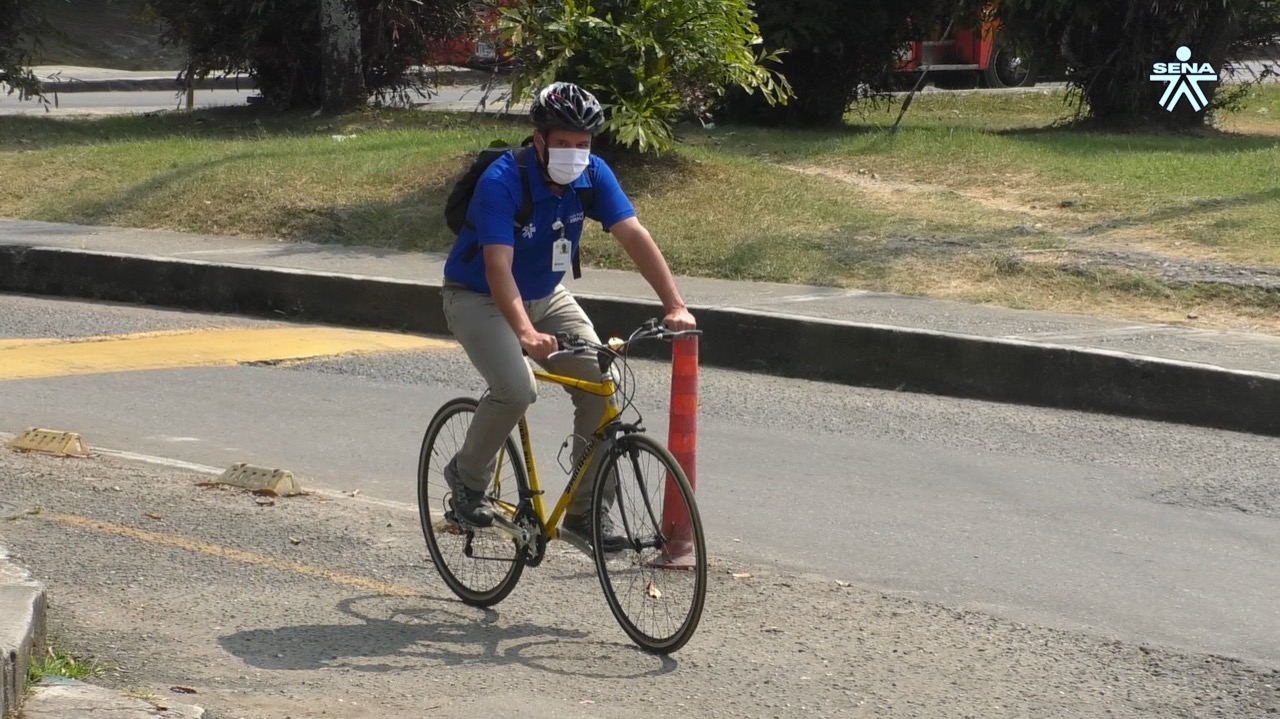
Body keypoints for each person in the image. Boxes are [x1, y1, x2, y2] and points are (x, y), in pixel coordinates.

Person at [440, 81, 696, 552]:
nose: (574, 153)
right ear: (539, 140)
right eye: (563, 144)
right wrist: (526, 334)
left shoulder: (593, 175)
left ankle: (582, 511)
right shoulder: (503, 181)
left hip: (544, 295)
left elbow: (633, 234)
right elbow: (497, 267)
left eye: (583, 144)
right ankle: (466, 476)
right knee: (518, 389)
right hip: (477, 297)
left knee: (604, 379)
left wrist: (674, 304)